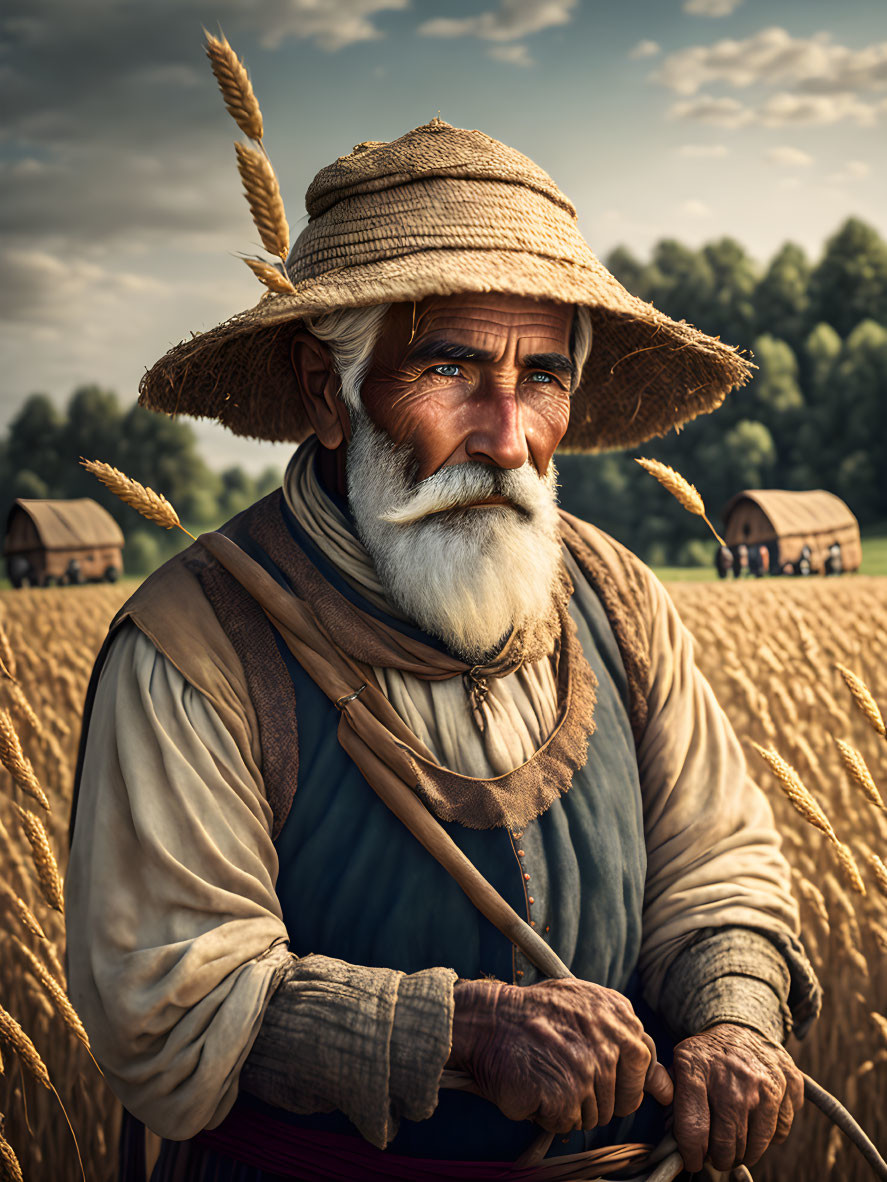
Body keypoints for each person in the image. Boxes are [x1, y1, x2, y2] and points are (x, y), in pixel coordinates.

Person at [66, 117, 820, 1181]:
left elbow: (717, 871)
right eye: (449, 367)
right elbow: (173, 1003)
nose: (506, 438)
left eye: (542, 377)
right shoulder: (194, 646)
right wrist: (464, 1031)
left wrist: (733, 1019)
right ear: (326, 390)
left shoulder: (617, 598)